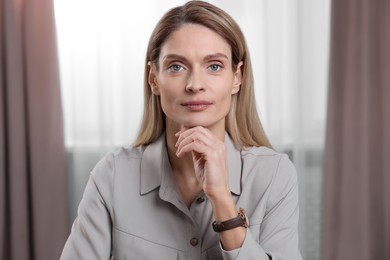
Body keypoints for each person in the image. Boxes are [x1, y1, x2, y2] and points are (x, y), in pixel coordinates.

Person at [60, 1, 302, 259]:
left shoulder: (275, 175)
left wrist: (222, 201)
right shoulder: (111, 177)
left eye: (214, 66)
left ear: (237, 77)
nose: (195, 84)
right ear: (154, 78)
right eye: (177, 66)